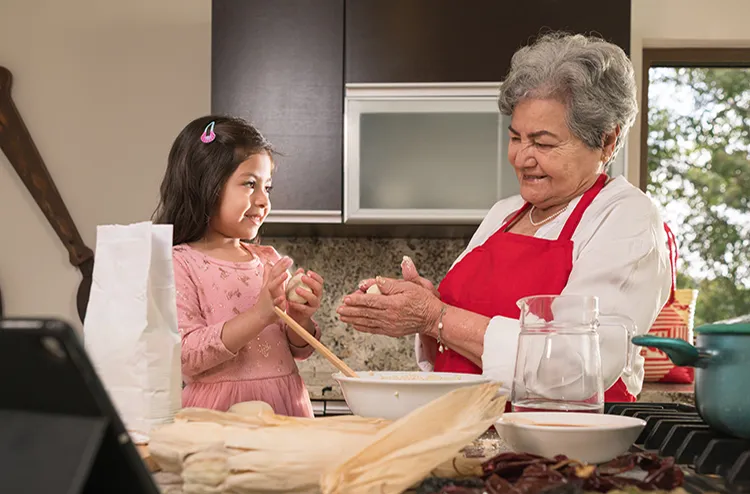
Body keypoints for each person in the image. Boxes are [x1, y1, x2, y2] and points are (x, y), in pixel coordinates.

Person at [337, 32, 675, 402]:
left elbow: (577, 366)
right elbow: (455, 337)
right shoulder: (503, 214)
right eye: (516, 138)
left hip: (557, 451)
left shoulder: (626, 217)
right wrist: (426, 307)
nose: (521, 157)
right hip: (467, 434)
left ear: (607, 141)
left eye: (544, 143)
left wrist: (437, 317)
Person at [153, 115, 324, 417]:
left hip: (286, 408)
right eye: (249, 184)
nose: (263, 201)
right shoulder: (181, 263)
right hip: (219, 415)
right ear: (205, 184)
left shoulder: (268, 260)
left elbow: (301, 349)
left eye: (267, 187)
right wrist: (260, 314)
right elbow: (188, 355)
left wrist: (300, 318)